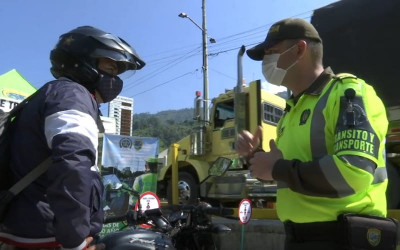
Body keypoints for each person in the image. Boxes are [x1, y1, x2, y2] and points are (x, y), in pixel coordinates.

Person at [236, 18, 390, 249]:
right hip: (297, 238)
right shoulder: (290, 114)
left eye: (272, 52)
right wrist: (256, 158)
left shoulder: (348, 93)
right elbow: (290, 174)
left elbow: (353, 173)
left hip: (343, 238)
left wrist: (276, 168)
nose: (267, 61)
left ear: (299, 49)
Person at [0, 26, 145, 250]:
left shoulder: (53, 94)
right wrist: (74, 240)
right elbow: (73, 164)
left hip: (28, 228)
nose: (114, 78)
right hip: (48, 238)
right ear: (84, 62)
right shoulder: (73, 95)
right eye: (111, 67)